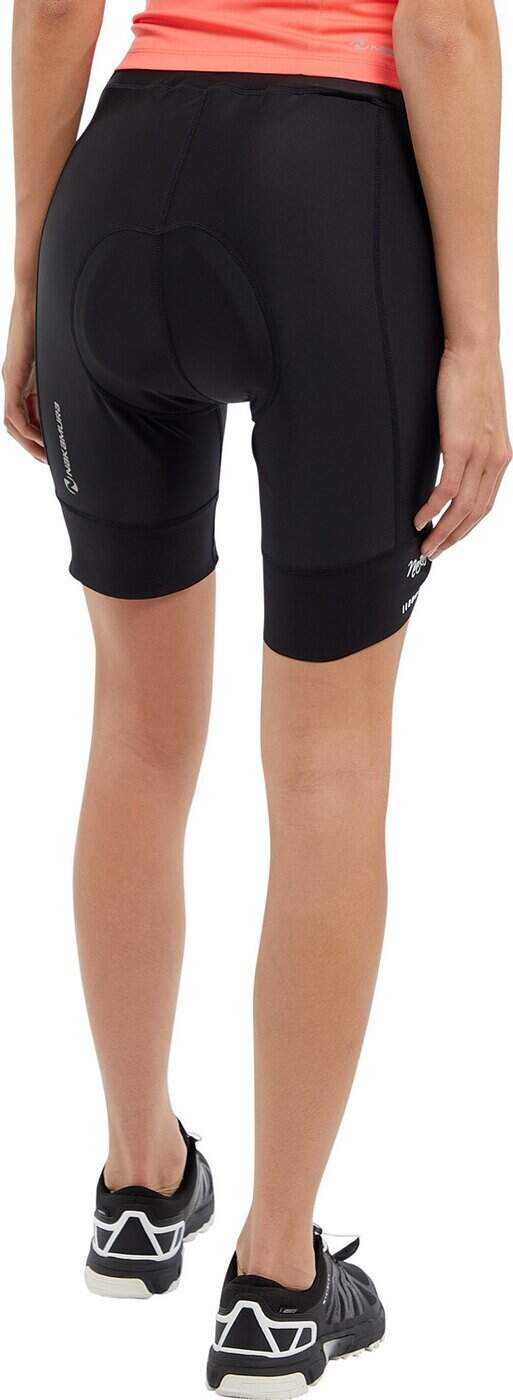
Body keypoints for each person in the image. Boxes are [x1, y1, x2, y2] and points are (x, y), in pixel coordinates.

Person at [3, 0, 510, 1394]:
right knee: (327, 769)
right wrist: (474, 341)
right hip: (327, 205)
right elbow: (446, 34)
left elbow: (54, 12)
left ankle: (137, 1184)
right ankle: (277, 1281)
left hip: (117, 199)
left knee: (133, 733)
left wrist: (31, 280)